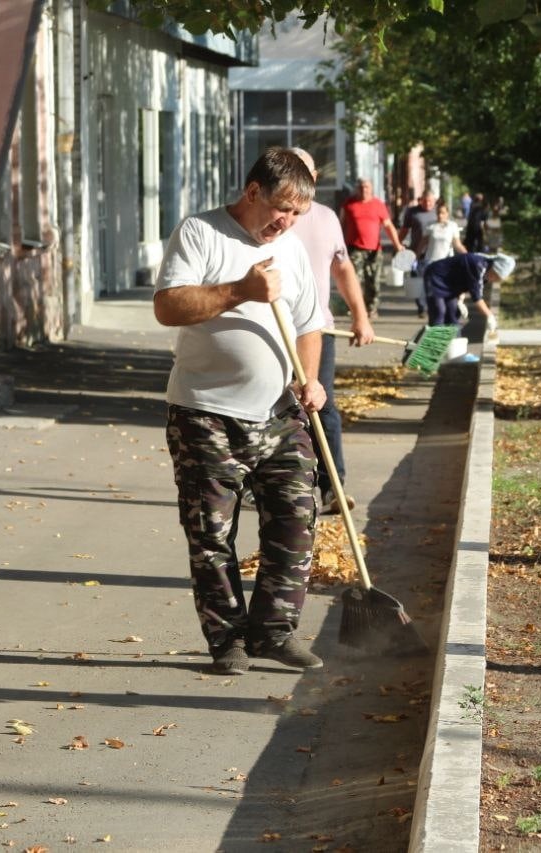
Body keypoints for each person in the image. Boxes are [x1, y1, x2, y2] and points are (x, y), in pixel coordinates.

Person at [153, 147, 327, 676]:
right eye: (282, 209)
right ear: (253, 192)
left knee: (297, 516)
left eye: (298, 214)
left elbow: (308, 323)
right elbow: (168, 306)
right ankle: (227, 639)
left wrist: (311, 378)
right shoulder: (200, 233)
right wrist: (240, 291)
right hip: (205, 413)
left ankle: (274, 631)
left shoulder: (292, 250)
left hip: (279, 413)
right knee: (210, 533)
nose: (288, 222)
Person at [287, 147, 375, 515]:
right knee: (264, 409)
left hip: (317, 329)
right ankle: (260, 484)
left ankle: (332, 486)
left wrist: (361, 315)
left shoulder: (325, 218)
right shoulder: (268, 218)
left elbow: (343, 269)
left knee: (323, 407)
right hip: (270, 331)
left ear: (314, 178)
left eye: (304, 172)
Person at [340, 178, 405, 317]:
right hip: (354, 248)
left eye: (367, 187)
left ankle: (371, 308)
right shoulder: (349, 204)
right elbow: (340, 224)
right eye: (362, 187)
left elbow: (388, 226)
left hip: (374, 250)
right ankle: (356, 309)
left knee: (373, 282)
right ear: (358, 188)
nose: (364, 189)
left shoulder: (379, 205)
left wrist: (397, 245)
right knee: (354, 280)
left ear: (372, 189)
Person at [422, 251, 514, 330]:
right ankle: (433, 348)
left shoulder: (486, 273)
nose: (494, 280)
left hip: (450, 284)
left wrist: (460, 301)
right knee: (439, 311)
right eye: (496, 276)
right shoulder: (477, 264)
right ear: (494, 268)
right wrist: (489, 315)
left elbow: (466, 284)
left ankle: (452, 345)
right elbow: (477, 297)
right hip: (435, 276)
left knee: (453, 313)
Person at [399, 190, 438, 317]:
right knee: (418, 280)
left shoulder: (439, 212)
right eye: (425, 201)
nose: (427, 203)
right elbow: (405, 229)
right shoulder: (412, 212)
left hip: (434, 253)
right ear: (420, 200)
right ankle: (422, 308)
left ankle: (432, 305)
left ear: (434, 201)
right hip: (416, 252)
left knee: (432, 281)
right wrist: (397, 244)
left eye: (430, 201)